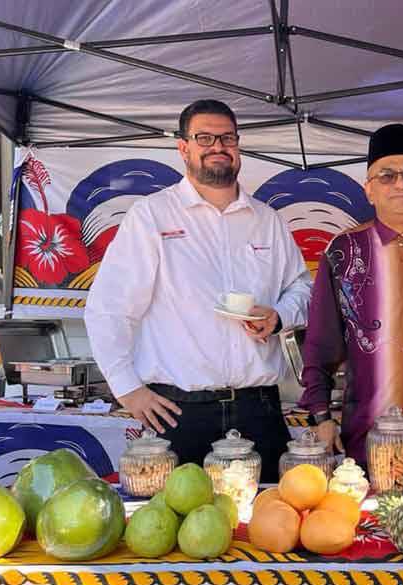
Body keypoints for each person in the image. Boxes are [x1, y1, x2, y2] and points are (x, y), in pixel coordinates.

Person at [85, 99, 312, 482]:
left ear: (238, 145)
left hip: (259, 410)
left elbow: (302, 287)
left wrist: (279, 317)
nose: (217, 147)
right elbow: (109, 308)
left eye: (227, 138)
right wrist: (127, 389)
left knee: (269, 515)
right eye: (204, 138)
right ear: (183, 147)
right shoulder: (152, 216)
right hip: (180, 412)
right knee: (177, 517)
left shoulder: (267, 220)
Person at [299, 123, 403, 464]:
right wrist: (321, 415)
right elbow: (320, 343)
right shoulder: (344, 252)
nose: (401, 183)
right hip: (368, 440)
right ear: (369, 190)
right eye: (387, 175)